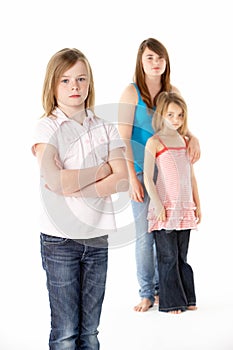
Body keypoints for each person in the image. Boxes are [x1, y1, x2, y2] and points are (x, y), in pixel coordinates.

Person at [31, 48, 129, 350]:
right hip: (59, 240)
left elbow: (122, 177)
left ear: (89, 83)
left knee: (90, 333)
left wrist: (74, 185)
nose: (74, 86)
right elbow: (54, 180)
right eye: (65, 80)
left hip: (97, 238)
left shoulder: (104, 127)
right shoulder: (47, 127)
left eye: (81, 79)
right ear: (53, 85)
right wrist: (101, 171)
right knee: (66, 332)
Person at [118, 38, 200, 312]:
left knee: (167, 235)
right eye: (150, 58)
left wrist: (194, 137)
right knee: (145, 235)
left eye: (160, 58)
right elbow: (123, 139)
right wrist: (131, 177)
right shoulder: (131, 93)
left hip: (169, 177)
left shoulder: (172, 91)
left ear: (166, 62)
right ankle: (146, 293)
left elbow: (180, 125)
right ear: (141, 61)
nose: (155, 63)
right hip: (142, 174)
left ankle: (164, 289)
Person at [144, 91, 201, 313]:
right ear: (161, 115)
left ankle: (188, 297)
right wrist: (158, 204)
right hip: (165, 209)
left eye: (180, 115)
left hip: (184, 208)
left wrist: (198, 204)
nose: (176, 120)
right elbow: (148, 177)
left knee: (181, 257)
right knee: (167, 257)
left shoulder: (185, 141)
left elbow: (191, 176)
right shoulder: (155, 142)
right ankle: (171, 302)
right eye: (171, 115)